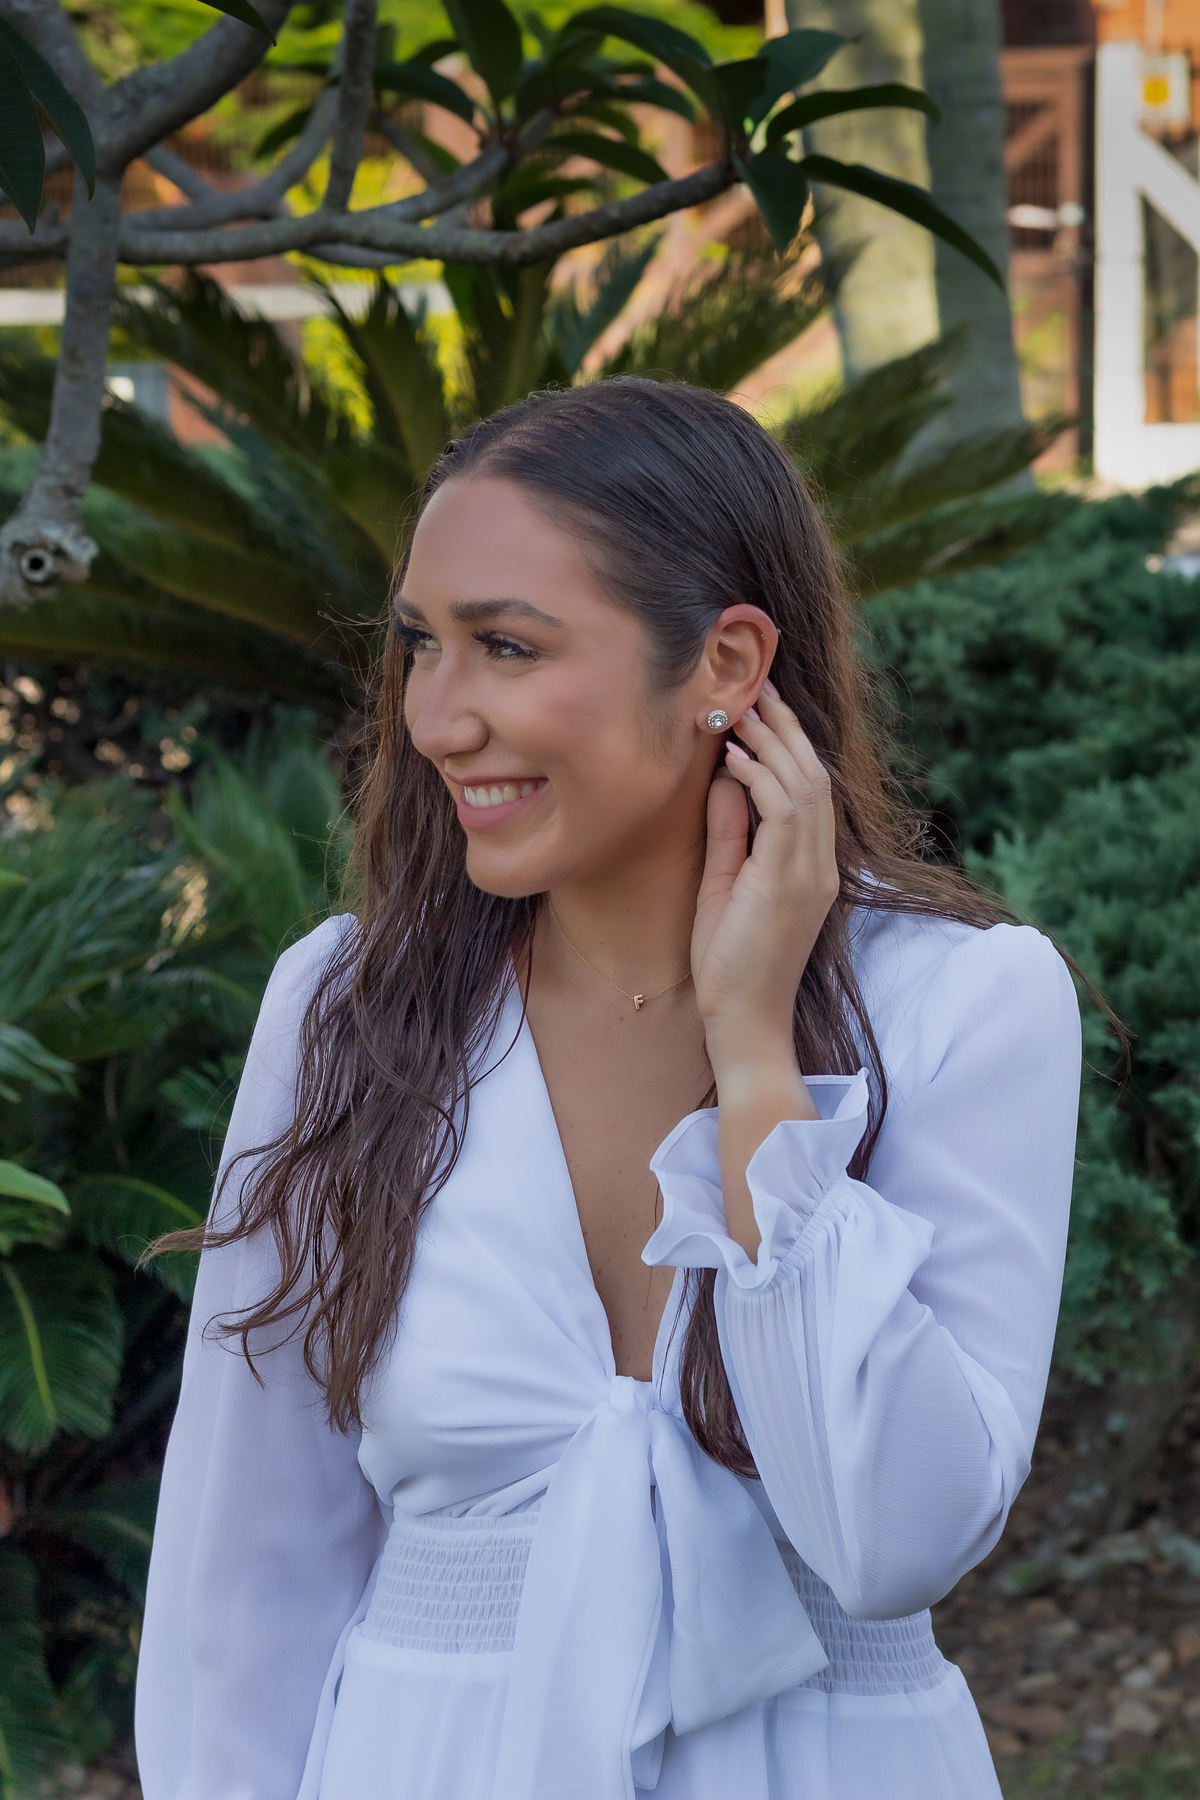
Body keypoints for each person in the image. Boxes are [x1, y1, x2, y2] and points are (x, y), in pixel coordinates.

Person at [135, 378, 1082, 1800]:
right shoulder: (345, 1006)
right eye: (421, 648)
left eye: (507, 647)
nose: (441, 719)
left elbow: (893, 1540)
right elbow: (243, 1578)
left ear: (725, 663)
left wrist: (758, 1058)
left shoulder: (966, 1004)